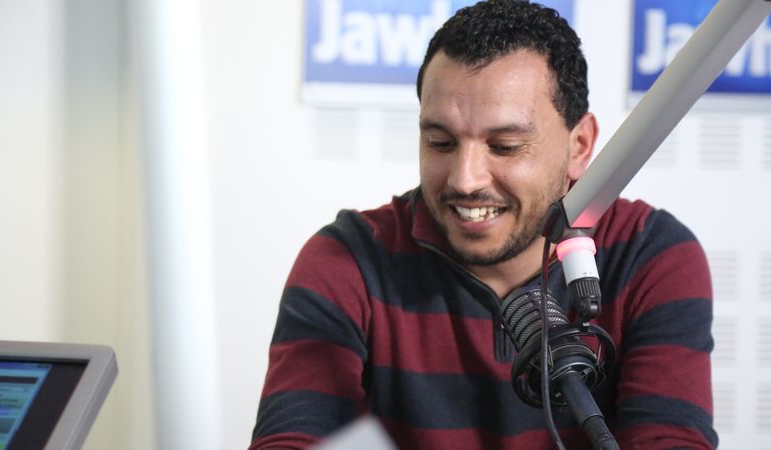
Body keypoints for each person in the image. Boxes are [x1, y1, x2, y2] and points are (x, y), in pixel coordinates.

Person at [250, 1, 717, 448]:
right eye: (440, 142)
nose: (465, 179)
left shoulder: (650, 254)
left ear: (579, 146)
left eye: (504, 146)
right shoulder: (348, 261)